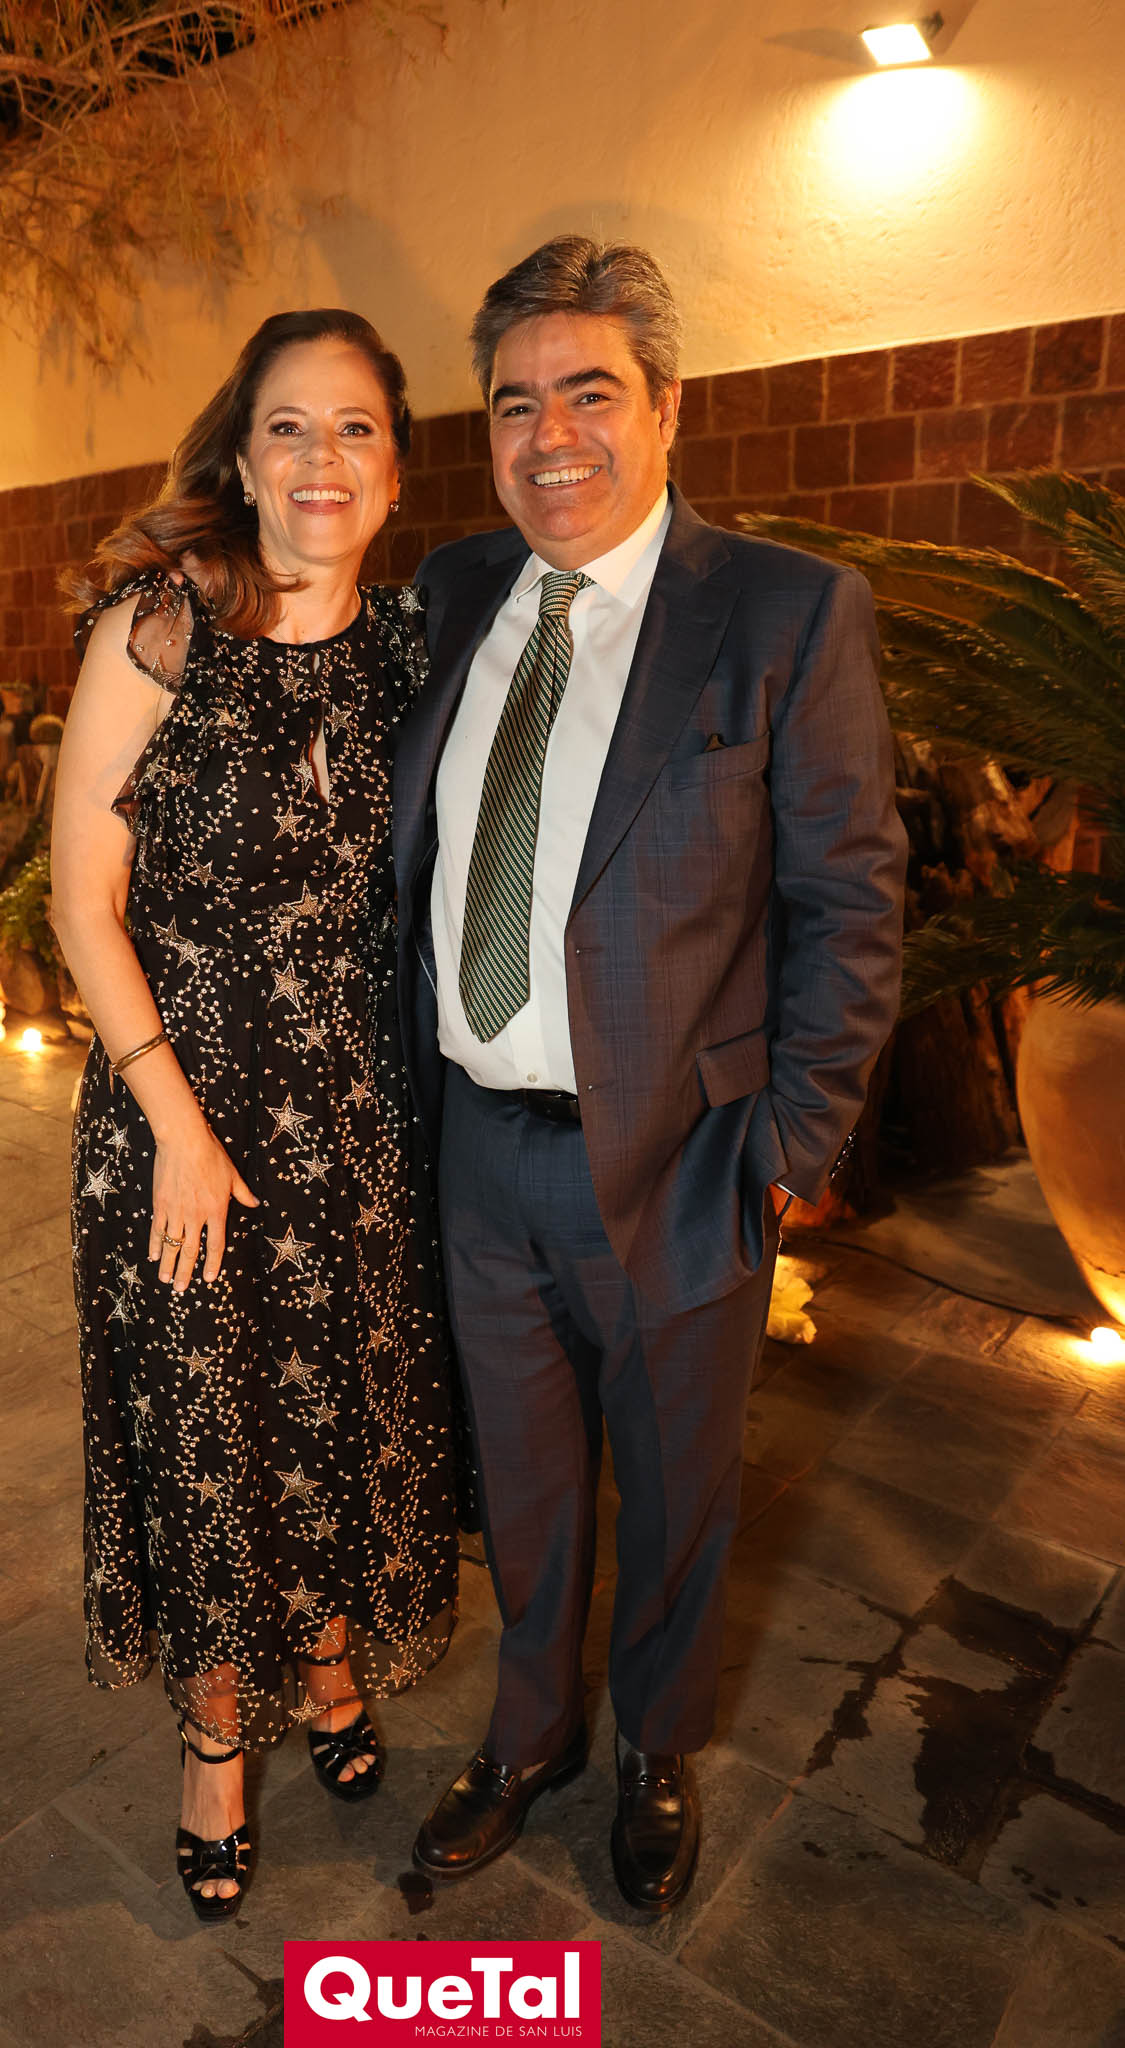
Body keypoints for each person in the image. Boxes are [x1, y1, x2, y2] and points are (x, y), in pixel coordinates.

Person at [393, 236, 906, 1911]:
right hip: (478, 1150)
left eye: (589, 393)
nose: (550, 435)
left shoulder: (782, 610)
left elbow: (849, 896)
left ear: (668, 404)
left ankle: (654, 1747)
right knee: (523, 1481)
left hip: (687, 1155)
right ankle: (528, 1733)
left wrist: (793, 1145)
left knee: (679, 1490)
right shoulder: (451, 592)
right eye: (513, 404)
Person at [52, 309, 457, 1922]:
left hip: (357, 1111)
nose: (320, 459)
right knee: (209, 1428)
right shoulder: (162, 625)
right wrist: (177, 1124)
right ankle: (216, 1739)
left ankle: (333, 1664)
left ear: (395, 466)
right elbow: (83, 905)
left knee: (344, 1406)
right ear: (240, 453)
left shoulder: (413, 649)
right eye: (288, 427)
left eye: (354, 428)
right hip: (181, 1105)